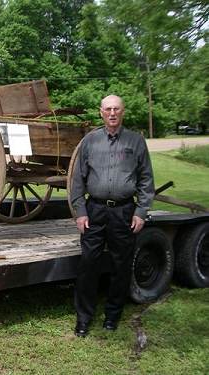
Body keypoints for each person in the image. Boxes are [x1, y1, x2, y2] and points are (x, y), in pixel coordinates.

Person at [70, 95, 155, 337]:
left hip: (124, 212)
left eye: (116, 109)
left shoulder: (136, 141)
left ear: (123, 112)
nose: (112, 113)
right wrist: (80, 211)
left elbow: (146, 179)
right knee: (88, 264)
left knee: (121, 266)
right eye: (108, 109)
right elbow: (78, 180)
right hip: (94, 211)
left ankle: (112, 316)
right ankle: (84, 319)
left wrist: (141, 211)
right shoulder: (90, 141)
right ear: (101, 112)